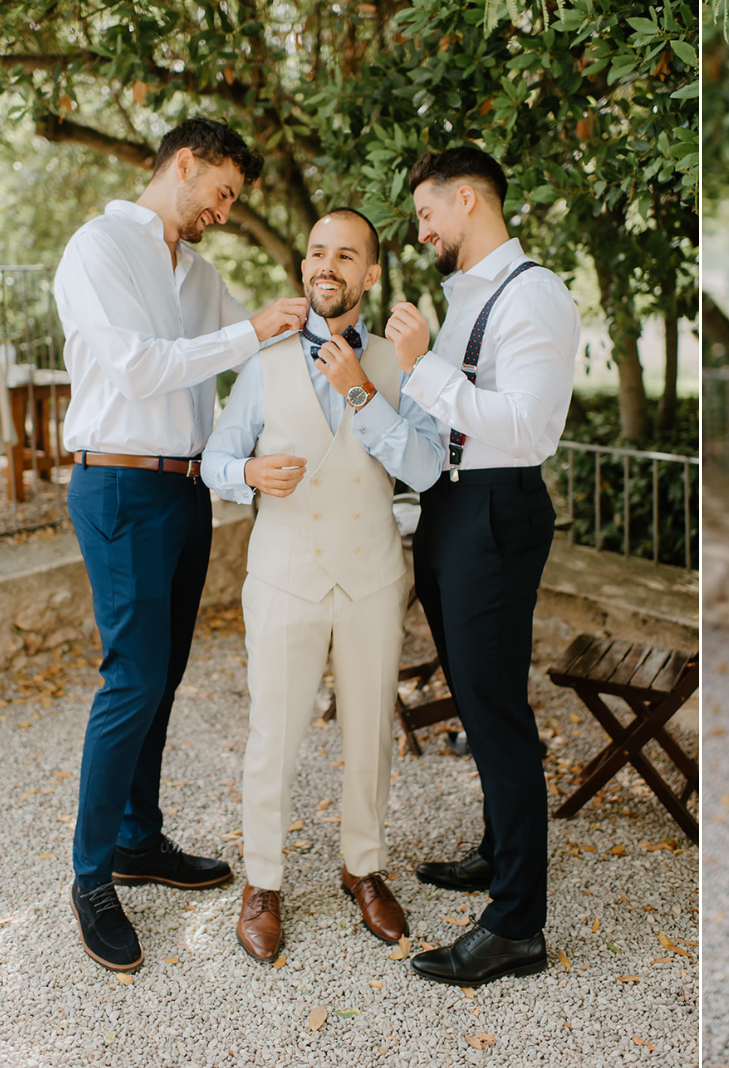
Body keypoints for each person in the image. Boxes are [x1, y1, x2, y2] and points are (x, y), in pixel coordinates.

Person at [55, 117, 310, 973]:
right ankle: (91, 876)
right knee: (130, 676)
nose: (226, 211)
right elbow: (137, 365)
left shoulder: (199, 274)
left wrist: (355, 360)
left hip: (187, 486)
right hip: (119, 481)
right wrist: (253, 332)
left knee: (164, 674)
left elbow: (270, 354)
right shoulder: (97, 248)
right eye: (222, 192)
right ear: (185, 164)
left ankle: (138, 839)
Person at [202, 208, 446, 961]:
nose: (327, 266)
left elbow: (429, 468)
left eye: (346, 255)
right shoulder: (265, 360)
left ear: (370, 275)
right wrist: (245, 473)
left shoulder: (402, 362)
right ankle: (263, 881)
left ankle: (363, 869)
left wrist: (364, 394)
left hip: (372, 576)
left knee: (371, 731)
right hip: (282, 578)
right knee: (272, 734)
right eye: (317, 253)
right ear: (304, 267)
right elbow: (214, 458)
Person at [380, 146, 580, 986]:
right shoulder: (467, 299)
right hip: (455, 509)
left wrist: (423, 365)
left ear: (468, 199)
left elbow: (528, 430)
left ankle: (516, 927)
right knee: (475, 694)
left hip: (496, 508)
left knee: (497, 717)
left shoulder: (533, 294)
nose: (422, 229)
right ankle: (500, 855)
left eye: (428, 213)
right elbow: (451, 421)